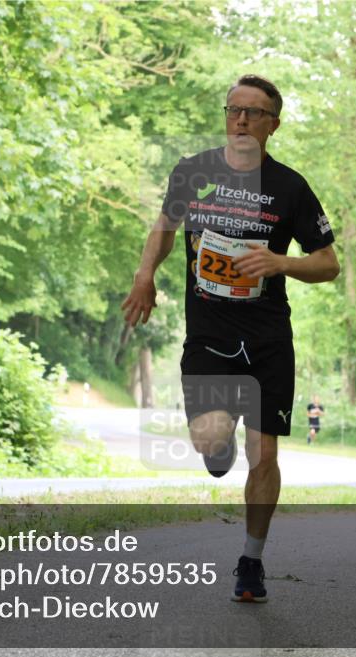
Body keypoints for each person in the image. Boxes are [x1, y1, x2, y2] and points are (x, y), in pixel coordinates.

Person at [121, 74, 340, 603]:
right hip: (210, 334)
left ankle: (251, 561)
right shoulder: (193, 172)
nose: (241, 119)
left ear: (273, 125)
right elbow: (165, 227)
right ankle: (217, 446)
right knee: (212, 442)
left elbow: (328, 263)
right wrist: (145, 275)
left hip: (267, 337)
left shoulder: (290, 187)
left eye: (254, 113)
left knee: (263, 456)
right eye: (234, 110)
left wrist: (281, 261)